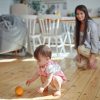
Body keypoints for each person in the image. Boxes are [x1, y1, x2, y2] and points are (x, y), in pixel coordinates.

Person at [74, 5, 100, 69]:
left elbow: (95, 41)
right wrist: (78, 54)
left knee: (80, 48)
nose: (79, 16)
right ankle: (91, 61)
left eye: (81, 13)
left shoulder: (91, 24)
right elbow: (76, 41)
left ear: (85, 13)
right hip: (85, 50)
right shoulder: (77, 26)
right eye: (77, 14)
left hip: (95, 49)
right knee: (79, 64)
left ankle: (94, 58)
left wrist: (92, 56)